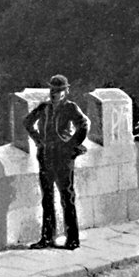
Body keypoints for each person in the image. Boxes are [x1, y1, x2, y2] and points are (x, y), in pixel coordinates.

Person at [23, 74, 90, 249]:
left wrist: (70, 145)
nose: (55, 93)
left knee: (67, 197)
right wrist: (38, 140)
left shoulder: (70, 107)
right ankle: (47, 238)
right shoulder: (44, 107)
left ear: (65, 91)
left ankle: (72, 239)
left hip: (63, 158)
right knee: (47, 198)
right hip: (46, 157)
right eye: (53, 90)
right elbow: (28, 122)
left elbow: (83, 125)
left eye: (59, 90)